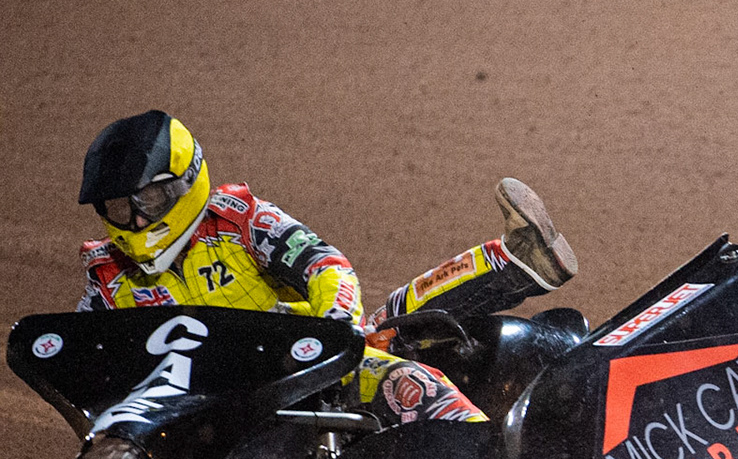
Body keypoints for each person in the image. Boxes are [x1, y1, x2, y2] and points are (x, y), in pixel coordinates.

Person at [74, 109, 577, 425]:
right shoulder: (105, 279)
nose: (136, 219)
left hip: (298, 377)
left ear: (186, 182)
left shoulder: (241, 220)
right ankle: (513, 260)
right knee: (385, 326)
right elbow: (80, 365)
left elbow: (325, 265)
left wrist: (334, 333)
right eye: (120, 208)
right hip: (191, 418)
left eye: (149, 199)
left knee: (398, 359)